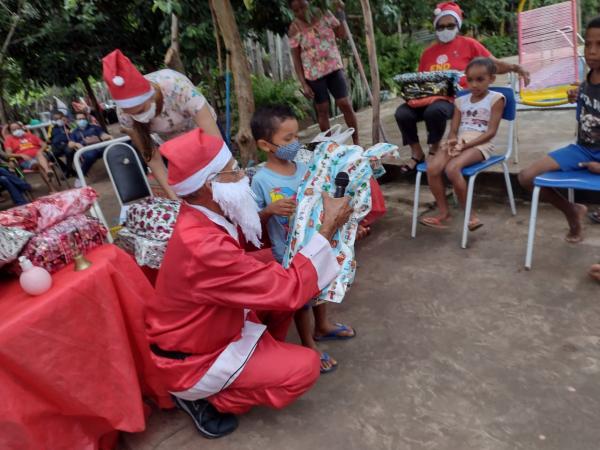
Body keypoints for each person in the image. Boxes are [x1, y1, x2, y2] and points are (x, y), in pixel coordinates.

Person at [145, 128, 353, 438]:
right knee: (305, 367)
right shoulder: (203, 244)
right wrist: (327, 229)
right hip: (193, 359)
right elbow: (288, 289)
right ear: (209, 185)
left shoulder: (204, 214)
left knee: (275, 264)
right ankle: (205, 398)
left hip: (207, 327)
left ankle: (261, 360)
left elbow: (260, 261)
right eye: (233, 171)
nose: (243, 175)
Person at [250, 105, 356, 374]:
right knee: (301, 298)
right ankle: (308, 342)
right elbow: (252, 224)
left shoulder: (307, 167)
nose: (295, 144)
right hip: (287, 252)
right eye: (287, 140)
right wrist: (269, 211)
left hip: (319, 242)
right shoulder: (261, 180)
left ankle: (323, 326)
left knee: (321, 285)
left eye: (297, 137)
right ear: (265, 144)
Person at [394, 1, 529, 176]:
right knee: (402, 113)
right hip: (428, 97)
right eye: (441, 26)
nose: (445, 29)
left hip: (455, 99)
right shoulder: (428, 53)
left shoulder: (469, 44)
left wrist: (515, 68)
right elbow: (422, 80)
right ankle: (416, 152)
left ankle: (434, 150)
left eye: (450, 25)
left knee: (434, 112)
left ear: (458, 25)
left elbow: (492, 65)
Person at [518, 17, 600, 244]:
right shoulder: (589, 78)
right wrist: (580, 96)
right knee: (526, 177)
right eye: (589, 44)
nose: (592, 51)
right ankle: (572, 210)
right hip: (583, 150)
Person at [102, 49, 221, 200]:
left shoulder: (176, 86)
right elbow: (152, 158)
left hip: (203, 132)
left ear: (151, 96)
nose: (141, 118)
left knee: (220, 186)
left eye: (141, 110)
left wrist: (223, 175)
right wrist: (174, 198)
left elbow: (214, 141)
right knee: (193, 193)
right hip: (173, 145)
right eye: (133, 113)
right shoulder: (124, 114)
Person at [420, 58, 505, 230]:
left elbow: (491, 132)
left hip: (481, 143)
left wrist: (464, 146)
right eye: (470, 80)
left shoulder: (496, 99)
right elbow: (454, 129)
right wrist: (452, 140)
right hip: (460, 141)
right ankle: (444, 213)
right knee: (432, 167)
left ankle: (470, 216)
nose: (474, 85)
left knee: (452, 169)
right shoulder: (461, 101)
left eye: (480, 79)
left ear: (492, 79)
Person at [288, 0, 360, 145]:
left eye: (303, 7)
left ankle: (357, 141)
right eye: (296, 10)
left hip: (333, 67)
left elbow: (341, 34)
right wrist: (304, 84)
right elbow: (296, 60)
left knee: (344, 103)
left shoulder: (325, 15)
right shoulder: (294, 29)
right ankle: (330, 146)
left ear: (309, 3)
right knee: (322, 110)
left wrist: (340, 12)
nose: (301, 12)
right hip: (314, 75)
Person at [3, 122, 55, 192]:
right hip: (25, 161)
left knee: (39, 155)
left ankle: (48, 174)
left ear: (22, 128)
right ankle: (48, 172)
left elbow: (44, 145)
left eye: (18, 128)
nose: (16, 130)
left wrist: (40, 150)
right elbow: (8, 154)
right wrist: (21, 155)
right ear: (10, 132)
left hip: (40, 156)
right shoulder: (9, 140)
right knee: (38, 165)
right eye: (13, 130)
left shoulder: (30, 136)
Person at [69, 112, 113, 187]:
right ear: (76, 121)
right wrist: (76, 144)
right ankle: (79, 178)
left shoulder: (94, 127)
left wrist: (109, 137)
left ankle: (118, 169)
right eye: (79, 119)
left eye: (83, 118)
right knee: (91, 155)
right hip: (86, 150)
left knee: (112, 149)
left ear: (86, 119)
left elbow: (102, 135)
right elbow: (70, 144)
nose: (81, 120)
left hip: (100, 147)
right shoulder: (74, 132)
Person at [49, 111, 76, 177]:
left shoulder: (68, 125)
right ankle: (68, 170)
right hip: (56, 146)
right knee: (50, 156)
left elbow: (76, 131)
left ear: (63, 118)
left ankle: (68, 172)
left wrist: (69, 130)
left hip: (68, 144)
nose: (58, 120)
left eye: (60, 118)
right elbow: (49, 139)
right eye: (56, 119)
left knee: (69, 151)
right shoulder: (52, 128)